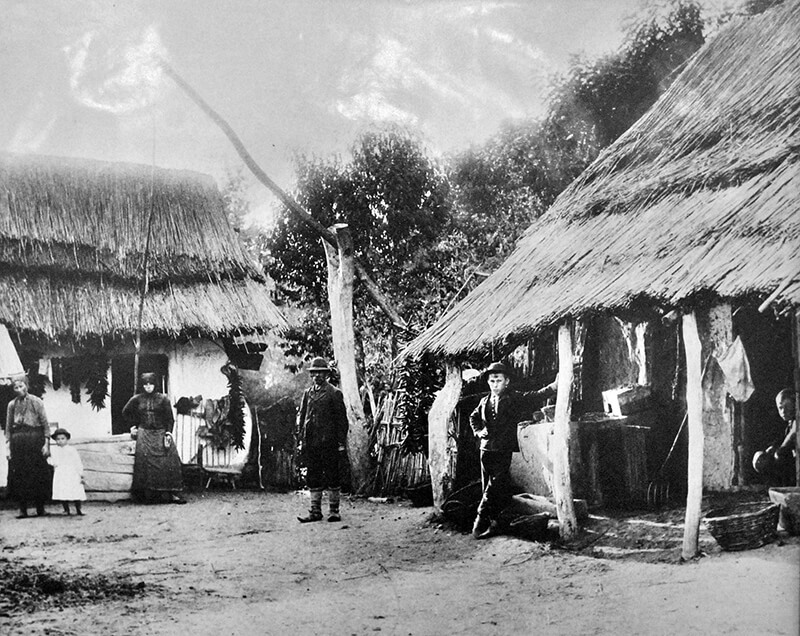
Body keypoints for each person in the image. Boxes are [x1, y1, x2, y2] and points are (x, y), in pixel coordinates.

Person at [469, 362, 556, 539]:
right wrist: (479, 431)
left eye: (499, 380)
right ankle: (495, 524)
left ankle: (480, 517)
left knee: (495, 483)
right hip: (485, 450)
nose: (495, 384)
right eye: (492, 381)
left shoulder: (513, 397)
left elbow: (535, 396)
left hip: (503, 449)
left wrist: (553, 387)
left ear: (506, 381)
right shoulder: (484, 401)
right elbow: (473, 417)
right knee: (492, 486)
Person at [296, 357, 348, 523]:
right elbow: (303, 417)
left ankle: (334, 511)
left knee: (333, 475)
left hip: (330, 443)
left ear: (326, 374)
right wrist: (301, 440)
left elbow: (342, 421)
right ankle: (315, 511)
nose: (317, 375)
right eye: (314, 373)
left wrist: (340, 443)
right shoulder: (307, 394)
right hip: (312, 443)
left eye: (320, 372)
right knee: (313, 476)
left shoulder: (334, 393)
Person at [123, 372, 186, 504]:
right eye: (145, 384)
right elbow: (125, 412)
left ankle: (173, 493)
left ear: (155, 385)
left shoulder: (163, 399)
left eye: (151, 384)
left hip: (160, 432)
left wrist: (168, 433)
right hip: (144, 433)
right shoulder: (137, 399)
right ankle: (146, 495)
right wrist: (133, 426)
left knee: (170, 460)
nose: (148, 387)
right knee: (144, 464)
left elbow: (170, 419)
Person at [4, 376, 52, 518]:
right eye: (16, 388)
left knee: (38, 473)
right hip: (18, 441)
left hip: (35, 439)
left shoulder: (37, 402)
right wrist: (8, 447)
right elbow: (8, 427)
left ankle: (40, 508)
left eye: (21, 386)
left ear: (27, 386)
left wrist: (46, 444)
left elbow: (45, 424)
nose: (19, 390)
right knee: (19, 475)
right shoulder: (12, 405)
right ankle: (22, 509)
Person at [753, 388, 797, 486]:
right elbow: (786, 439)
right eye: (780, 408)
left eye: (786, 406)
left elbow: (791, 437)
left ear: (795, 404)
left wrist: (779, 450)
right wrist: (773, 448)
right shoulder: (790, 424)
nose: (783, 412)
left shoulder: (797, 422)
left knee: (780, 455)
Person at [47, 428, 86, 516]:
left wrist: (80, 473)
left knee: (75, 490)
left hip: (71, 472)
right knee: (63, 491)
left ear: (67, 439)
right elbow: (53, 461)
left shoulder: (72, 449)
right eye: (58, 439)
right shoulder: (54, 450)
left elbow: (77, 461)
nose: (60, 441)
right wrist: (49, 461)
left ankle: (78, 509)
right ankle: (66, 509)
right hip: (61, 472)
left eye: (62, 438)